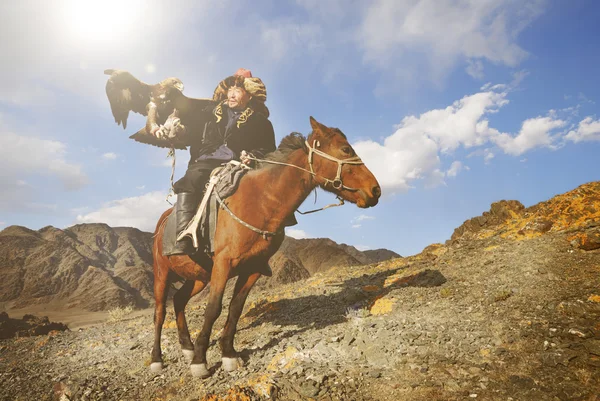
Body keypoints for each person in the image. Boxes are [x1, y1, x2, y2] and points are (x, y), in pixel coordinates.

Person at [166, 69, 276, 255]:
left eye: (238, 90)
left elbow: (269, 149)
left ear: (249, 95)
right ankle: (184, 234)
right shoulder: (208, 113)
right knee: (192, 178)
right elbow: (191, 133)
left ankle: (266, 245)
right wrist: (178, 129)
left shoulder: (261, 122)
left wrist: (253, 155)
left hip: (241, 164)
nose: (232, 93)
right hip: (207, 160)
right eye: (230, 88)